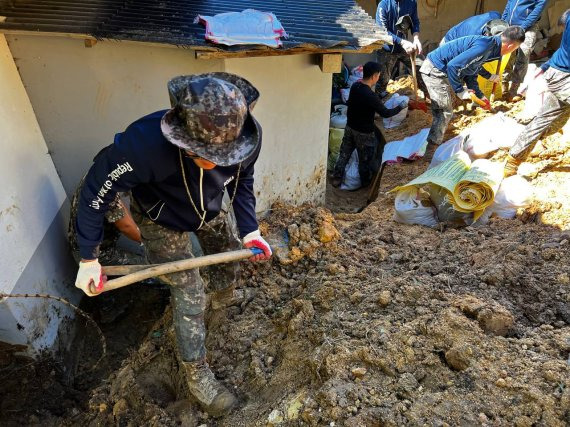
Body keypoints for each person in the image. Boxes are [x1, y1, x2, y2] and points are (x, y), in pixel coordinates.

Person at [73, 73, 272, 416]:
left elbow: (242, 181)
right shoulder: (142, 147)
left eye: (225, 155)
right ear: (184, 139)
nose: (217, 162)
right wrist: (89, 257)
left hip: (208, 209)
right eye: (208, 155)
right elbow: (96, 193)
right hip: (159, 219)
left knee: (226, 257)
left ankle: (223, 301)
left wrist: (251, 230)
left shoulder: (244, 138)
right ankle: (197, 374)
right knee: (190, 290)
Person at [420, 26, 525, 146]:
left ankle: (441, 130)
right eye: (514, 49)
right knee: (444, 110)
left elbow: (471, 71)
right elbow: (453, 66)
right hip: (435, 70)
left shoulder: (491, 46)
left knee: (450, 103)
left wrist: (480, 95)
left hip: (443, 69)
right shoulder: (484, 47)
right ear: (511, 46)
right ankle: (432, 147)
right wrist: (460, 90)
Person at [505, 9, 570, 177]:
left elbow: (563, 48)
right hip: (564, 78)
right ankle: (515, 158)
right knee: (545, 121)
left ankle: (517, 154)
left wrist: (545, 67)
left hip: (557, 73)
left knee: (549, 122)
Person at [331, 62, 407, 188]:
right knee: (365, 160)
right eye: (378, 75)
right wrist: (400, 107)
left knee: (344, 154)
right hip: (364, 133)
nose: (378, 78)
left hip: (350, 127)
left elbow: (357, 101)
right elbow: (386, 113)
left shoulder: (356, 86)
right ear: (374, 76)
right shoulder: (370, 95)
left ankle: (336, 178)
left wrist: (379, 97)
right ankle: (365, 184)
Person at [375, 0, 425, 97]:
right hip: (386, 49)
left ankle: (431, 100)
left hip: (405, 48)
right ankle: (379, 105)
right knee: (382, 80)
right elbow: (382, 31)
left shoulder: (411, 2)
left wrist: (416, 38)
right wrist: (401, 42)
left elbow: (415, 22)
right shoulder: (384, 4)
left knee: (423, 69)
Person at [502, 0, 549, 100]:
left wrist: (523, 27)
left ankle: (514, 88)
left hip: (528, 27)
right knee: (507, 53)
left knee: (524, 52)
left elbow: (537, 11)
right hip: (510, 25)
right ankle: (504, 84)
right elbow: (508, 5)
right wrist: (503, 22)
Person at [441, 12, 506, 45]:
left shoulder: (495, 15)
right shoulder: (474, 36)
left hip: (460, 32)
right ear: (487, 34)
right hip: (450, 42)